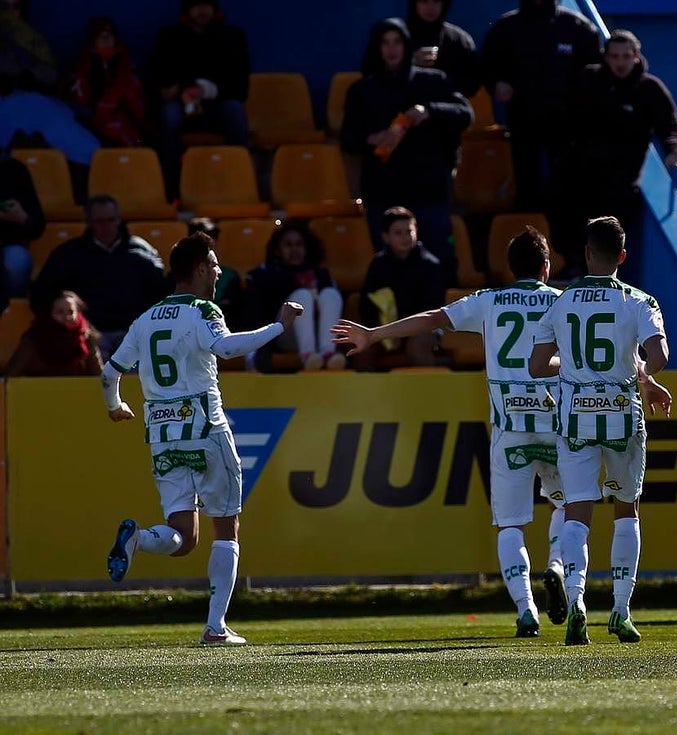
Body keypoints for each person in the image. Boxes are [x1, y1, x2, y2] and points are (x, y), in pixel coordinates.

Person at [333, 227, 597, 636]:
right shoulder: (563, 302)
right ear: (546, 267)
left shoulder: (489, 300)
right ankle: (558, 566)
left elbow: (431, 318)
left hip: (509, 428)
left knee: (510, 524)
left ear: (510, 268)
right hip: (556, 425)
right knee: (565, 507)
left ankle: (525, 610)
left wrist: (374, 334)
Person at [100, 231, 303, 645]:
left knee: (183, 537)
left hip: (162, 434)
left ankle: (139, 538)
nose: (218, 270)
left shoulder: (146, 318)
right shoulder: (202, 310)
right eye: (213, 263)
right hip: (205, 427)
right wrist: (279, 326)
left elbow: (109, 372)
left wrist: (115, 406)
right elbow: (225, 348)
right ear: (198, 269)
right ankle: (216, 627)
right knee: (225, 527)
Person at [529, 216, 672, 646]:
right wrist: (644, 376)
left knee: (577, 510)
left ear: (587, 253)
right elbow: (660, 354)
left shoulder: (563, 301)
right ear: (622, 256)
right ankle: (621, 611)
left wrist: (574, 366)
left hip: (575, 415)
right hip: (622, 412)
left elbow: (536, 366)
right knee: (627, 509)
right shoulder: (639, 300)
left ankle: (576, 602)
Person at [341, 18, 472, 276]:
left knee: (438, 263)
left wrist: (429, 110)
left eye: (397, 42)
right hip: (384, 190)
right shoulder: (363, 90)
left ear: (407, 45)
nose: (392, 49)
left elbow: (465, 113)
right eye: (385, 43)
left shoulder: (432, 81)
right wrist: (371, 138)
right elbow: (348, 137)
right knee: (389, 269)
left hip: (429, 189)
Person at [570, 30, 677, 284]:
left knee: (616, 240)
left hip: (624, 184)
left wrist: (675, 152)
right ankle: (578, 271)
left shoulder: (649, 88)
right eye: (614, 56)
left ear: (636, 56)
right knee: (580, 232)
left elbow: (671, 126)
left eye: (625, 56)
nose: (620, 62)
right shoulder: (589, 80)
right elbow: (567, 119)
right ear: (606, 57)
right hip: (585, 179)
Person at [481, 0, 602, 214]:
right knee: (526, 182)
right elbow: (486, 65)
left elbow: (596, 73)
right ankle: (528, 230)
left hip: (567, 124)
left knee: (567, 184)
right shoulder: (506, 27)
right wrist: (495, 84)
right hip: (523, 119)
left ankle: (563, 231)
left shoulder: (578, 27)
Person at [32, 194, 167, 359]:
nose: (106, 226)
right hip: (88, 333)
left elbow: (160, 292)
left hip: (133, 332)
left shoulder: (142, 252)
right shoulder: (68, 255)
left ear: (119, 220)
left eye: (111, 220)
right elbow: (42, 294)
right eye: (99, 221)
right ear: (89, 222)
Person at [150, 0, 250, 199]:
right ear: (187, 10)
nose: (202, 11)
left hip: (217, 103)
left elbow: (240, 87)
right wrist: (185, 93)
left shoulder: (231, 36)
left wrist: (205, 91)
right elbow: (160, 79)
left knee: (234, 110)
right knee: (170, 114)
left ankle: (239, 181)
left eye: (206, 5)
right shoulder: (169, 36)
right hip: (181, 103)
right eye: (196, 5)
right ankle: (171, 189)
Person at [244, 220, 345, 372]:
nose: (294, 250)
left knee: (330, 293)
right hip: (284, 336)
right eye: (288, 245)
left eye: (299, 244)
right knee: (302, 295)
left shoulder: (320, 274)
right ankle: (308, 355)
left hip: (319, 333)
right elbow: (256, 314)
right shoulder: (264, 274)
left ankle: (328, 352)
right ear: (277, 250)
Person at [358, 207, 447, 367]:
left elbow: (431, 310)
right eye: (398, 233)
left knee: (417, 346)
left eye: (409, 231)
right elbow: (367, 305)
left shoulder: (430, 265)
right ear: (386, 237)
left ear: (416, 231)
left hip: (424, 328)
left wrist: (399, 330)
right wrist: (383, 331)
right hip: (384, 328)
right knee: (363, 348)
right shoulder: (378, 265)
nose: (405, 237)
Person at [67, 17, 148, 147]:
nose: (106, 40)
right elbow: (77, 101)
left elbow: (137, 102)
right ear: (93, 40)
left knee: (138, 136)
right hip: (92, 124)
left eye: (109, 35)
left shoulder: (127, 64)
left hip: (124, 123)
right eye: (101, 36)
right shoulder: (81, 65)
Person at [6, 289, 102, 376]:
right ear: (49, 313)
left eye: (71, 312)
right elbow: (11, 375)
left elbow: (99, 375)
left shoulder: (86, 337)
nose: (67, 317)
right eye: (60, 312)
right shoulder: (34, 339)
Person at [406, 0, 481, 98]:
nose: (430, 7)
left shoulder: (458, 39)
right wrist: (410, 60)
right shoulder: (398, 37)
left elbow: (472, 83)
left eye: (436, 1)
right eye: (424, 1)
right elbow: (387, 79)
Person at [0, 153, 44, 297]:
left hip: (7, 245)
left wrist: (22, 218)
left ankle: (13, 307)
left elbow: (37, 226)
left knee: (17, 260)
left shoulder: (14, 169)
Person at [0, 0, 57, 95]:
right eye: (4, 6)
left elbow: (52, 74)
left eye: (16, 6)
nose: (10, 11)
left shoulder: (33, 38)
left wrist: (31, 75)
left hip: (27, 98)